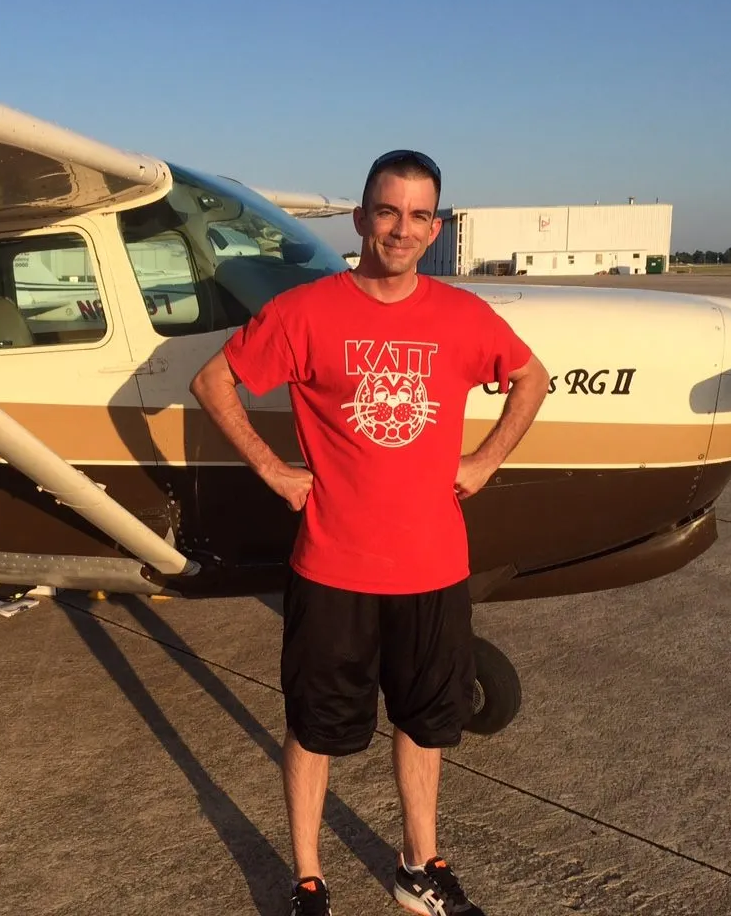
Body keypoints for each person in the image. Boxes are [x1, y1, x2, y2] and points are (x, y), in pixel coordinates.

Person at [189, 149, 550, 915]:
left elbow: (531, 377)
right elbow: (213, 381)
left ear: (436, 227)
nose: (401, 229)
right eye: (387, 212)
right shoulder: (307, 312)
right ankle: (309, 880)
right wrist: (272, 468)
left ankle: (419, 867)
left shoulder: (460, 317)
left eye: (419, 215)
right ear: (361, 219)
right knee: (315, 731)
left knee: (426, 727)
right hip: (334, 566)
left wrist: (486, 459)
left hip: (433, 566)